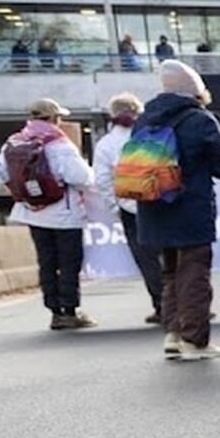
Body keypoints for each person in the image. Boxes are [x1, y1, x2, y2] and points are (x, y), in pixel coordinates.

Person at [136, 60, 220, 362]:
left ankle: (173, 334)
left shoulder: (145, 119)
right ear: (198, 92)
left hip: (153, 205)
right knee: (194, 272)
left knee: (170, 273)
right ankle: (195, 341)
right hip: (190, 207)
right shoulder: (201, 119)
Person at [0, 98, 94, 330]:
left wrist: (25, 190)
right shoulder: (59, 144)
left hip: (33, 213)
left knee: (46, 262)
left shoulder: (13, 142)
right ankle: (70, 310)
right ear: (54, 118)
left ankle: (54, 311)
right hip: (65, 215)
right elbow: (82, 178)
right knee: (68, 263)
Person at [89, 92, 169, 324]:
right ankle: (183, 303)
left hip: (129, 207)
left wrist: (115, 206)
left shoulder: (106, 144)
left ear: (112, 115)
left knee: (147, 259)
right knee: (173, 254)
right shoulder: (153, 133)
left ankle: (161, 305)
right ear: (138, 111)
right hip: (161, 202)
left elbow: (102, 180)